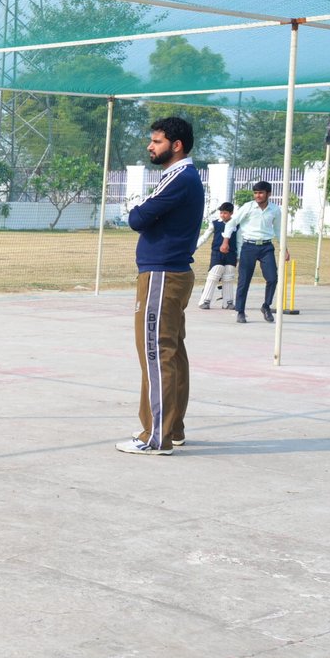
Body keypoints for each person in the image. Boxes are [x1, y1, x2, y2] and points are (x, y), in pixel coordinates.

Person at [117, 116, 203, 456]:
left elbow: (137, 218)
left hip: (162, 275)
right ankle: (173, 428)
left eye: (157, 141)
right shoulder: (179, 177)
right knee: (172, 352)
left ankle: (156, 435)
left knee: (155, 353)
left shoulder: (180, 177)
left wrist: (140, 210)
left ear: (176, 145)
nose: (150, 147)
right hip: (170, 272)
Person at [224, 180, 288, 324]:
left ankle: (266, 306)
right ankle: (240, 311)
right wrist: (225, 241)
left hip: (266, 247)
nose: (258, 196)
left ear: (268, 194)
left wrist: (284, 249)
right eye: (256, 193)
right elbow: (232, 223)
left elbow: (278, 230)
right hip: (249, 246)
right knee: (244, 280)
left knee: (272, 278)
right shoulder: (248, 207)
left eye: (261, 193)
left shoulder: (275, 210)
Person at [195, 202, 238, 310]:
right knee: (214, 274)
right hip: (217, 253)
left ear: (231, 213)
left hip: (231, 253)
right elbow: (205, 237)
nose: (223, 215)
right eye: (221, 213)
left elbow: (239, 241)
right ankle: (204, 301)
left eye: (225, 213)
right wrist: (195, 246)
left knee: (228, 276)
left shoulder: (236, 224)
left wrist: (239, 255)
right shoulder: (215, 223)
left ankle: (228, 302)